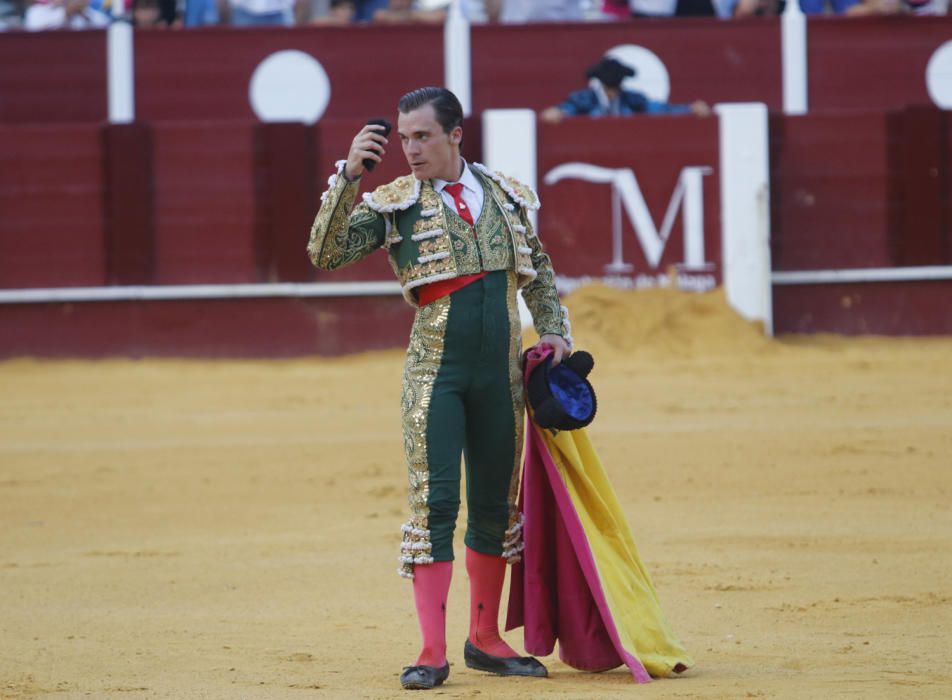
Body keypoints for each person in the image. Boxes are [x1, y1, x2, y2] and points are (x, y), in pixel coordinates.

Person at [306, 86, 571, 690]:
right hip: (436, 378)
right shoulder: (395, 201)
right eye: (403, 138)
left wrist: (554, 330)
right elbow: (326, 253)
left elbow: (541, 272)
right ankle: (431, 650)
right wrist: (349, 176)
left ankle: (484, 639)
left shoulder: (505, 195)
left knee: (495, 508)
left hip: (500, 379)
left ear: (456, 134)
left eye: (422, 136)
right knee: (436, 506)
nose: (410, 150)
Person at [542, 56, 711, 123]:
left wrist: (689, 109)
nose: (613, 92)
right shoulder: (584, 100)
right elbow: (566, 110)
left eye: (615, 87)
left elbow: (661, 109)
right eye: (610, 87)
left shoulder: (631, 99)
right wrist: (558, 111)